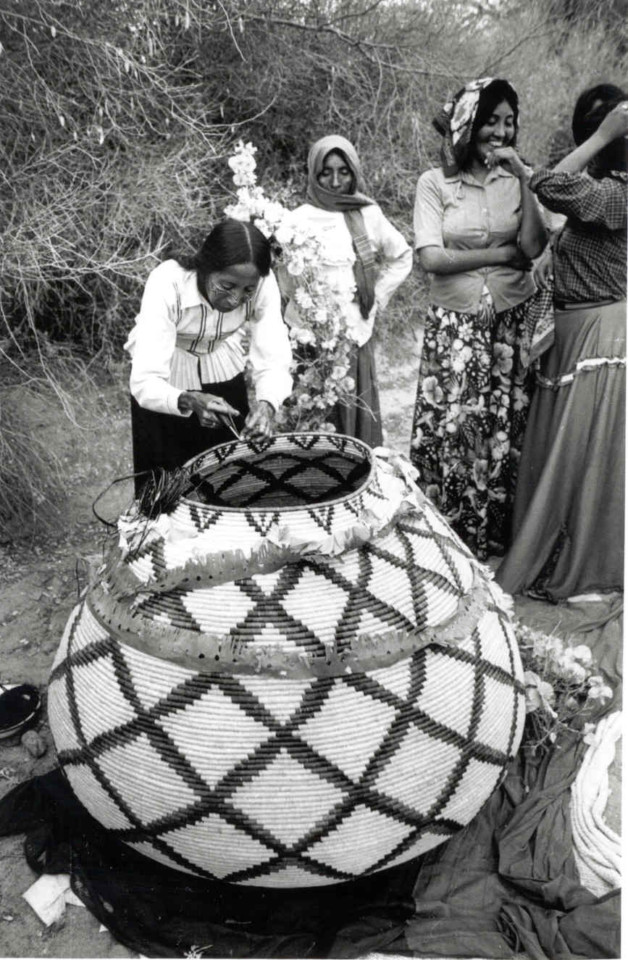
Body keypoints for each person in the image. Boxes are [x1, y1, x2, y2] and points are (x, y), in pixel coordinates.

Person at [496, 87, 628, 600]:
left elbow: (551, 185)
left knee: (580, 456)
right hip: (578, 336)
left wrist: (600, 137)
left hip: (600, 337)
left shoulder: (617, 195)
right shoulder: (604, 190)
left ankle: (581, 563)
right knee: (567, 455)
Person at [409, 77, 548, 560]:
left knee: (504, 422)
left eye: (509, 123)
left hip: (510, 320)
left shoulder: (516, 181)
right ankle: (452, 536)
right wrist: (500, 254)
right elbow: (431, 258)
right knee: (457, 424)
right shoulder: (434, 183)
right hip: (456, 326)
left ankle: (501, 536)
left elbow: (532, 247)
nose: (501, 133)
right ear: (468, 125)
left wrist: (526, 179)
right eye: (491, 121)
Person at [125, 219, 292, 495]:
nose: (235, 299)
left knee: (229, 481)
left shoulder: (262, 281)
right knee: (163, 491)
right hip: (166, 384)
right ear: (206, 266)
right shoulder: (168, 282)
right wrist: (190, 399)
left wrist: (267, 406)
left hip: (221, 369)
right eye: (226, 285)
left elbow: (274, 355)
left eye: (247, 291)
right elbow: (145, 382)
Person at [280, 135, 412, 446]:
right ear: (313, 173)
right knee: (312, 416)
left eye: (344, 171)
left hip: (353, 336)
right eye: (326, 172)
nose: (336, 181)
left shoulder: (367, 214)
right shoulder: (294, 220)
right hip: (309, 342)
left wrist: (374, 297)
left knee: (353, 416)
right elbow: (285, 282)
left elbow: (402, 256)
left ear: (354, 172)